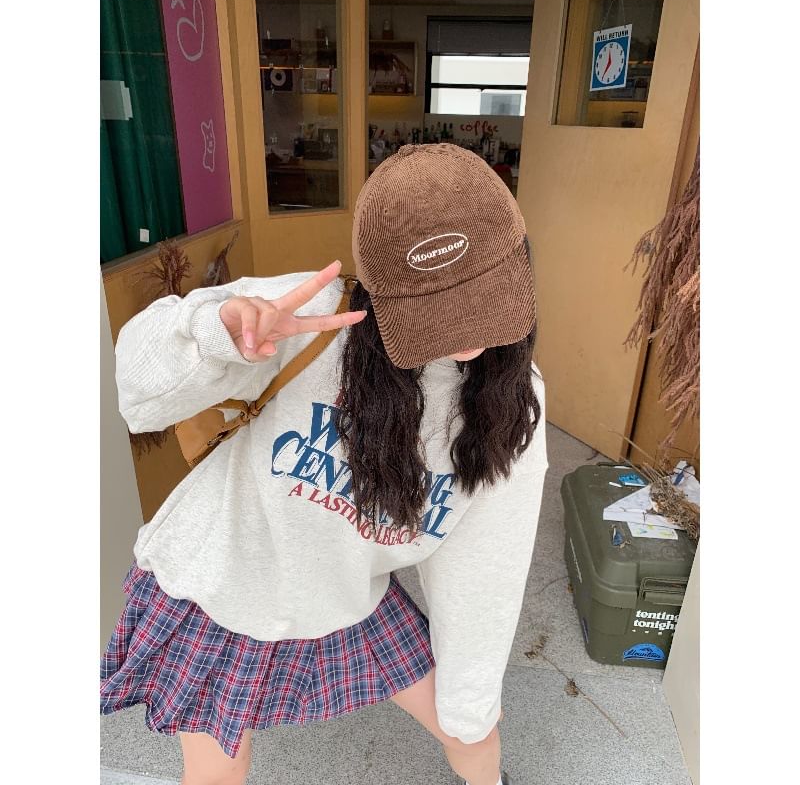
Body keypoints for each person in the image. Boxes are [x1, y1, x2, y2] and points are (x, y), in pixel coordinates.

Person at [101, 143, 548, 785]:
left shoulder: (511, 401)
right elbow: (137, 394)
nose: (468, 338)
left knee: (470, 733)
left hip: (344, 594)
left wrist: (471, 702)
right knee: (217, 771)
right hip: (222, 583)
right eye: (433, 310)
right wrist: (216, 336)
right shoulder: (305, 316)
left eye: (482, 299)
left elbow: (486, 563)